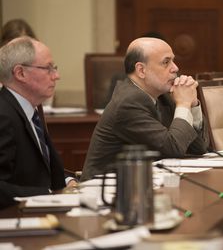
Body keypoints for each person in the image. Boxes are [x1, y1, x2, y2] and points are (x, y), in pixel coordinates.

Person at [81, 37, 210, 180]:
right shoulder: (128, 103)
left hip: (139, 184)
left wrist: (193, 104)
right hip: (105, 192)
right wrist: (183, 104)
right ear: (141, 70)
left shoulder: (163, 96)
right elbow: (173, 149)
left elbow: (199, 148)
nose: (175, 68)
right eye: (166, 62)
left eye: (173, 60)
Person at [0, 37, 75, 208]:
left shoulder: (29, 110)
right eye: (48, 68)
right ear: (20, 73)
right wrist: (48, 195)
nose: (57, 76)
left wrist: (68, 181)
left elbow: (38, 168)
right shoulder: (4, 116)